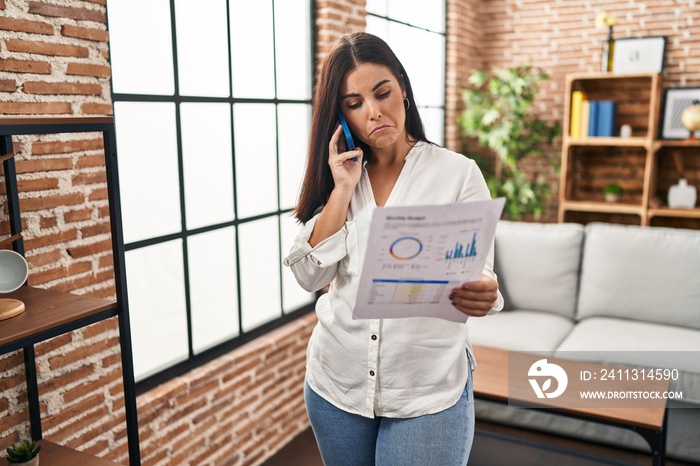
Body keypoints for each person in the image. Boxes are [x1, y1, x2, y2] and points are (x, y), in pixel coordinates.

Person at [283, 32, 503, 466]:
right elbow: (309, 276)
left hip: (427, 392)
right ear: (341, 114)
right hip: (336, 386)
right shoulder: (341, 180)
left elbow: (482, 273)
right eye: (354, 103)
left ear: (402, 87)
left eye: (382, 93)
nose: (374, 111)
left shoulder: (459, 174)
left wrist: (485, 291)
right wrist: (342, 190)